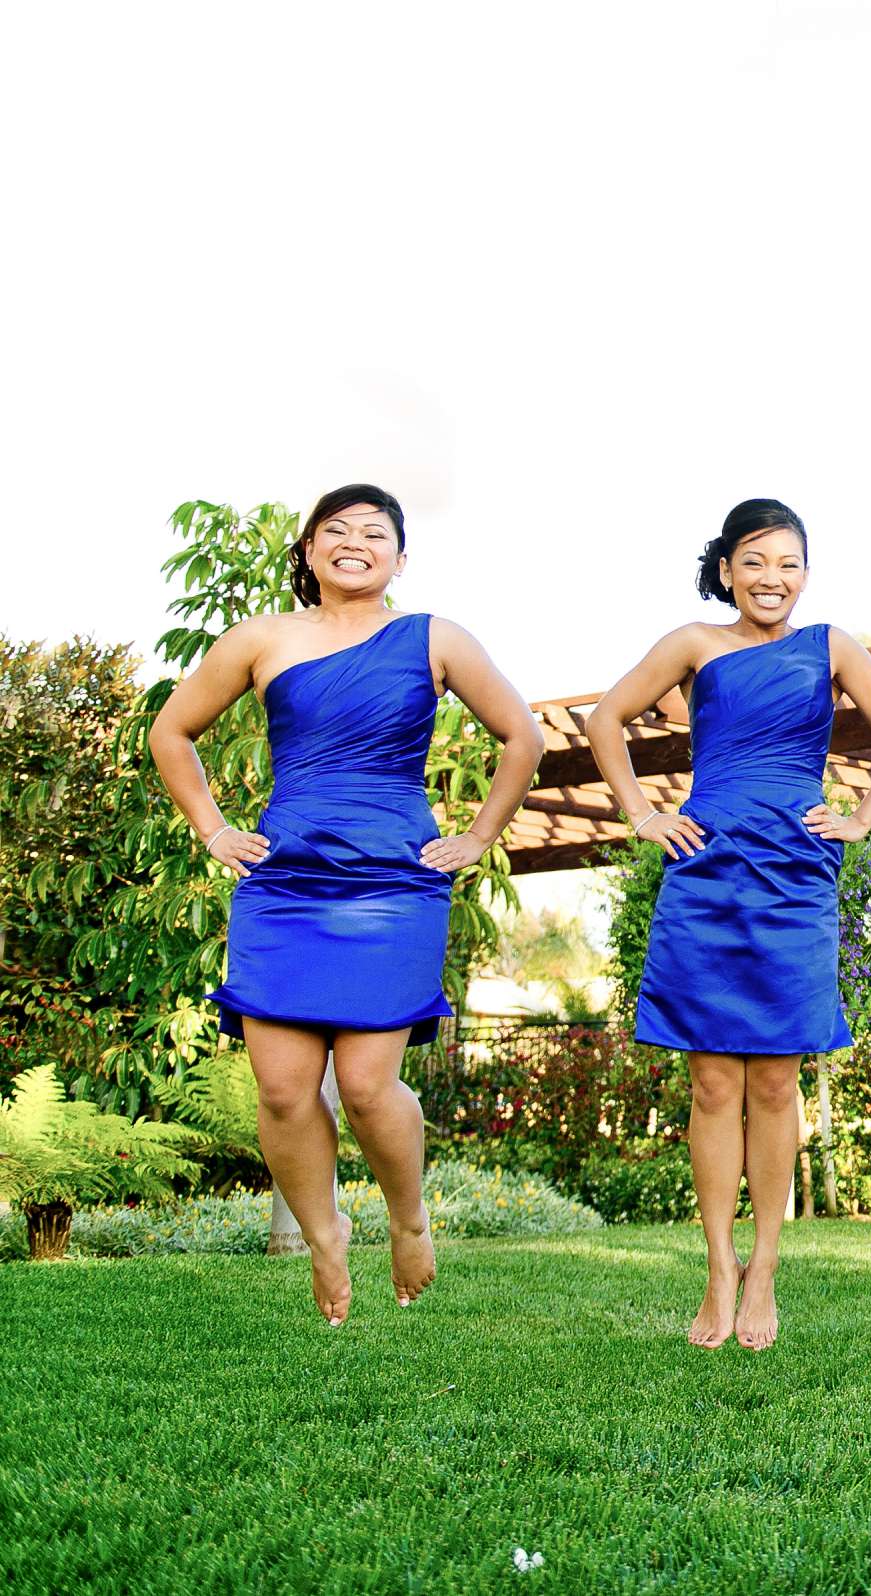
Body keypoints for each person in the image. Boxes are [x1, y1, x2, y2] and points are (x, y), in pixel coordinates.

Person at [150, 485, 542, 1326]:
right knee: (285, 1089)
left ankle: (409, 1217)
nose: (355, 543)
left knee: (367, 1087)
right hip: (286, 879)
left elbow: (524, 737)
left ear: (400, 558)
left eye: (375, 533)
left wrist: (476, 837)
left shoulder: (435, 637)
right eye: (337, 531)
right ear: (309, 550)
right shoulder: (260, 638)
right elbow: (170, 732)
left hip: (394, 879)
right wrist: (214, 829)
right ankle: (326, 1240)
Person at [586, 499, 871, 1350]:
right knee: (711, 1084)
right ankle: (715, 1269)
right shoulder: (695, 644)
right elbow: (605, 720)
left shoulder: (832, 646)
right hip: (705, 869)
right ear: (728, 569)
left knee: (775, 1081)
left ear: (806, 574)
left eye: (790, 564)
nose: (774, 579)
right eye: (757, 562)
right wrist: (642, 813)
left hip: (795, 873)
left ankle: (766, 1267)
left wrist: (860, 818)